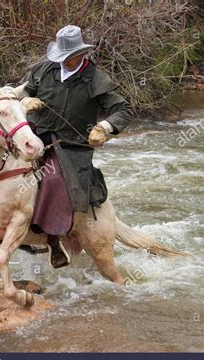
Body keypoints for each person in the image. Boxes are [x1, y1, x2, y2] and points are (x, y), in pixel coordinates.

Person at [20, 25, 133, 268]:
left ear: (82, 53)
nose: (67, 62)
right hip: (33, 136)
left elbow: (123, 109)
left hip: (70, 147)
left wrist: (103, 127)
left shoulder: (96, 79)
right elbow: (24, 91)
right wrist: (25, 100)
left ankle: (52, 239)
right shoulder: (43, 69)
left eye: (71, 58)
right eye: (64, 58)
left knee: (50, 180)